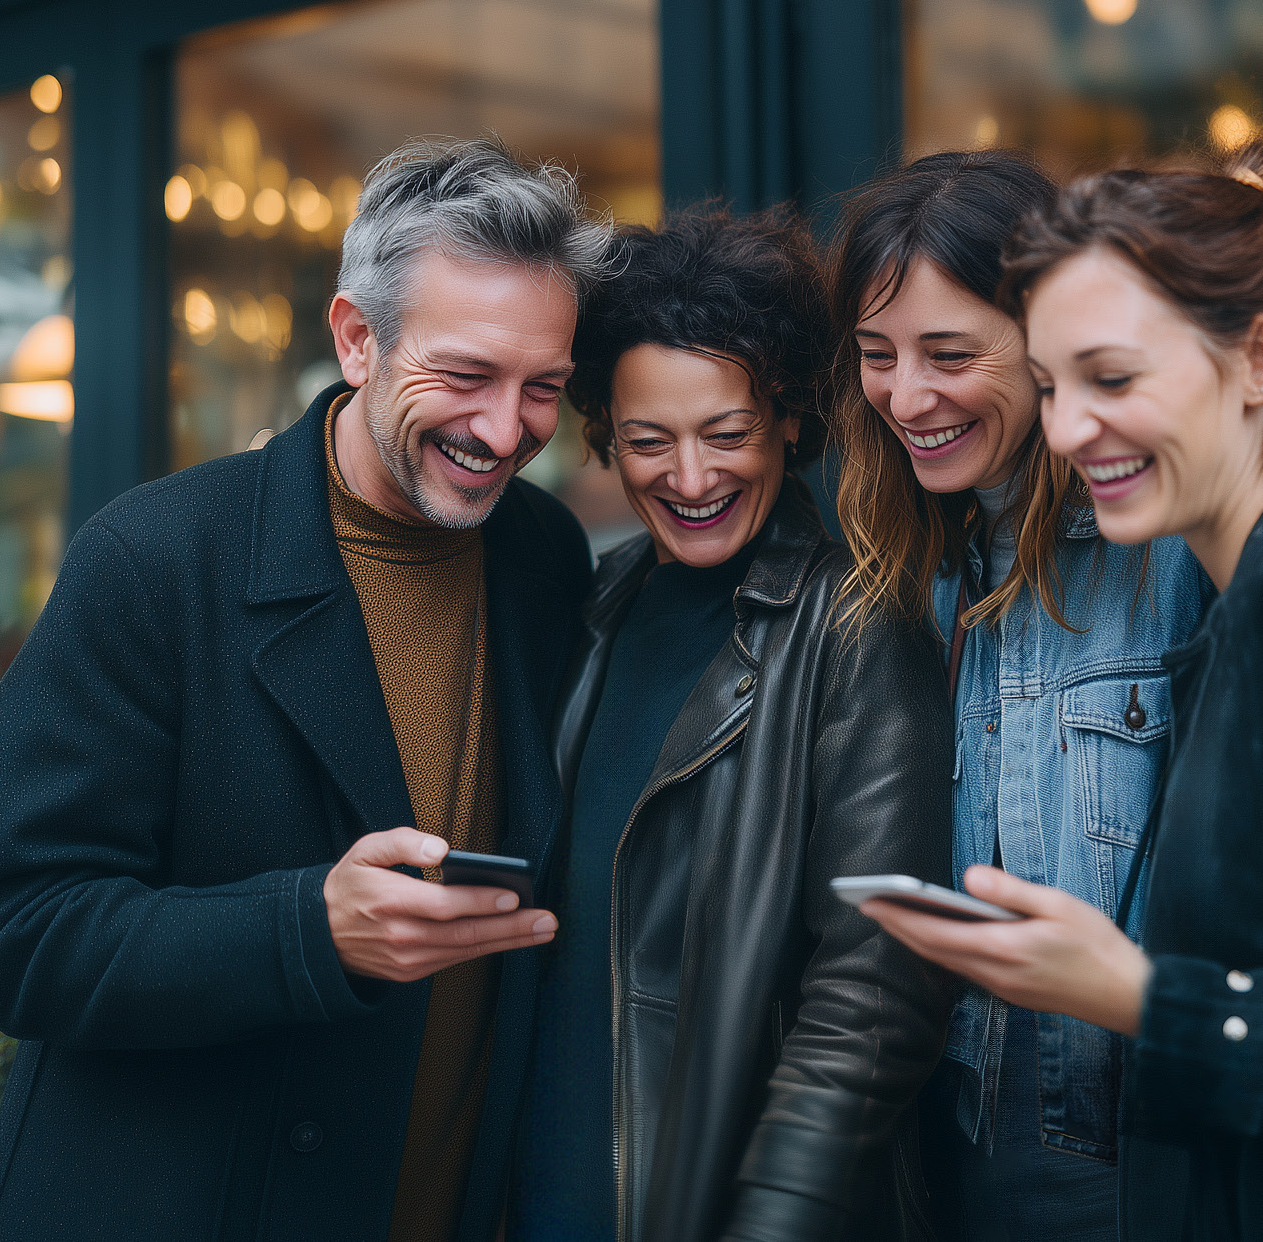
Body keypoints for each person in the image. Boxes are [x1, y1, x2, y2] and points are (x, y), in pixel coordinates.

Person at [0, 136, 609, 1241]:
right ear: (356, 339)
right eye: (464, 376)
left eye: (542, 387)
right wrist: (310, 930)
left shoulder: (541, 551)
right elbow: (22, 940)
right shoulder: (154, 558)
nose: (507, 431)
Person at [512, 208, 952, 1241]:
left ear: (789, 418)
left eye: (727, 434)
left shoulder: (856, 623)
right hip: (544, 1188)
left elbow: (873, 996)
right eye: (647, 441)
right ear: (601, 431)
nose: (690, 477)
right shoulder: (595, 604)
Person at [862, 150, 1263, 1241]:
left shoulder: (1184, 564)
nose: (1072, 425)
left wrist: (1130, 995)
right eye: (1054, 387)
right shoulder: (914, 570)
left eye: (1112, 378)